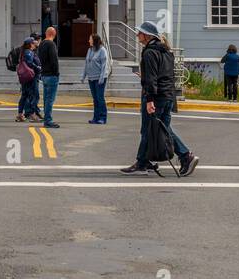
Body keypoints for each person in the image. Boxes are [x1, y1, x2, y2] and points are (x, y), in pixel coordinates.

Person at [120, 22, 198, 176]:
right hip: (167, 95)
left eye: (140, 33)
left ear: (147, 35)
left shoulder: (149, 52)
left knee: (150, 129)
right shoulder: (166, 52)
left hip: (156, 97)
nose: (137, 36)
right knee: (162, 129)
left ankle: (179, 157)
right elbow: (166, 76)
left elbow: (151, 78)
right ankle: (149, 161)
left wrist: (149, 100)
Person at [81, 34, 109, 124]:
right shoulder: (90, 50)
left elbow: (104, 66)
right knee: (95, 99)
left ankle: (103, 118)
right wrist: (83, 76)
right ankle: (95, 118)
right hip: (91, 78)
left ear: (95, 40)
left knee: (100, 98)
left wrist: (101, 77)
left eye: (90, 39)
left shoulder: (102, 50)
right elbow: (86, 63)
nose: (89, 41)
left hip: (100, 78)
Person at [38, 26, 61, 129]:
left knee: (46, 99)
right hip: (51, 75)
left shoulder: (42, 44)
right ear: (54, 34)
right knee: (50, 100)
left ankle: (46, 118)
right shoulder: (51, 44)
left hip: (44, 74)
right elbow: (54, 60)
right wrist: (57, 73)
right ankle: (48, 120)